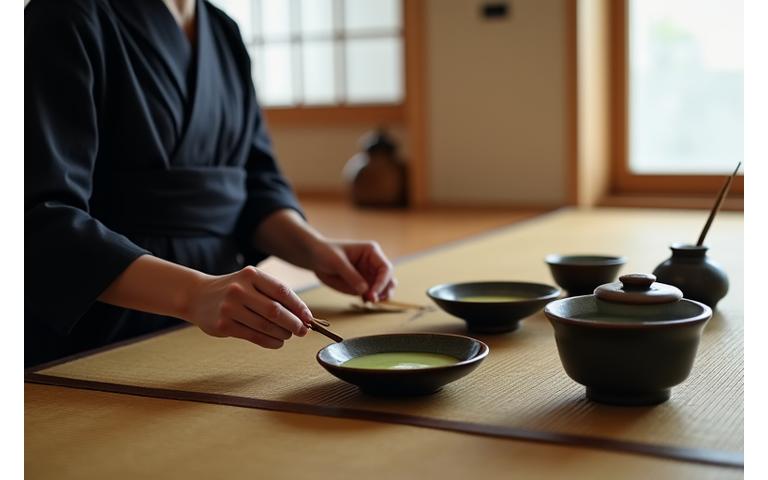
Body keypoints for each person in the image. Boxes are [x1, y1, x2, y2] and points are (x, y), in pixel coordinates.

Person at [24, 0, 396, 367]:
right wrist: (192, 293)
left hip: (220, 323)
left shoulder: (221, 29)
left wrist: (314, 248)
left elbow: (254, 182)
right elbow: (39, 217)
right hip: (103, 326)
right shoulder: (65, 15)